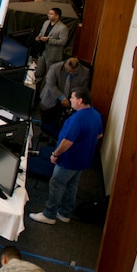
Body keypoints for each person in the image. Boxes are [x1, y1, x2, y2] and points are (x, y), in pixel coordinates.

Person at [30, 87, 104, 225]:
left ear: (80, 100)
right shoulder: (96, 115)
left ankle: (49, 214)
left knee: (56, 184)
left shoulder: (76, 119)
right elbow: (99, 135)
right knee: (72, 185)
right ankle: (65, 213)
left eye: (73, 98)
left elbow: (67, 141)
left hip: (69, 159)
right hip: (84, 159)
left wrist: (55, 154)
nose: (70, 100)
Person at [33, 7, 68, 80]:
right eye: (48, 13)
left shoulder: (63, 28)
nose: (48, 15)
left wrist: (49, 40)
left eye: (51, 14)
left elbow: (63, 41)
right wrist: (39, 37)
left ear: (57, 16)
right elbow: (41, 33)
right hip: (42, 52)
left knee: (49, 75)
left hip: (52, 55)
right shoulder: (46, 23)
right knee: (38, 72)